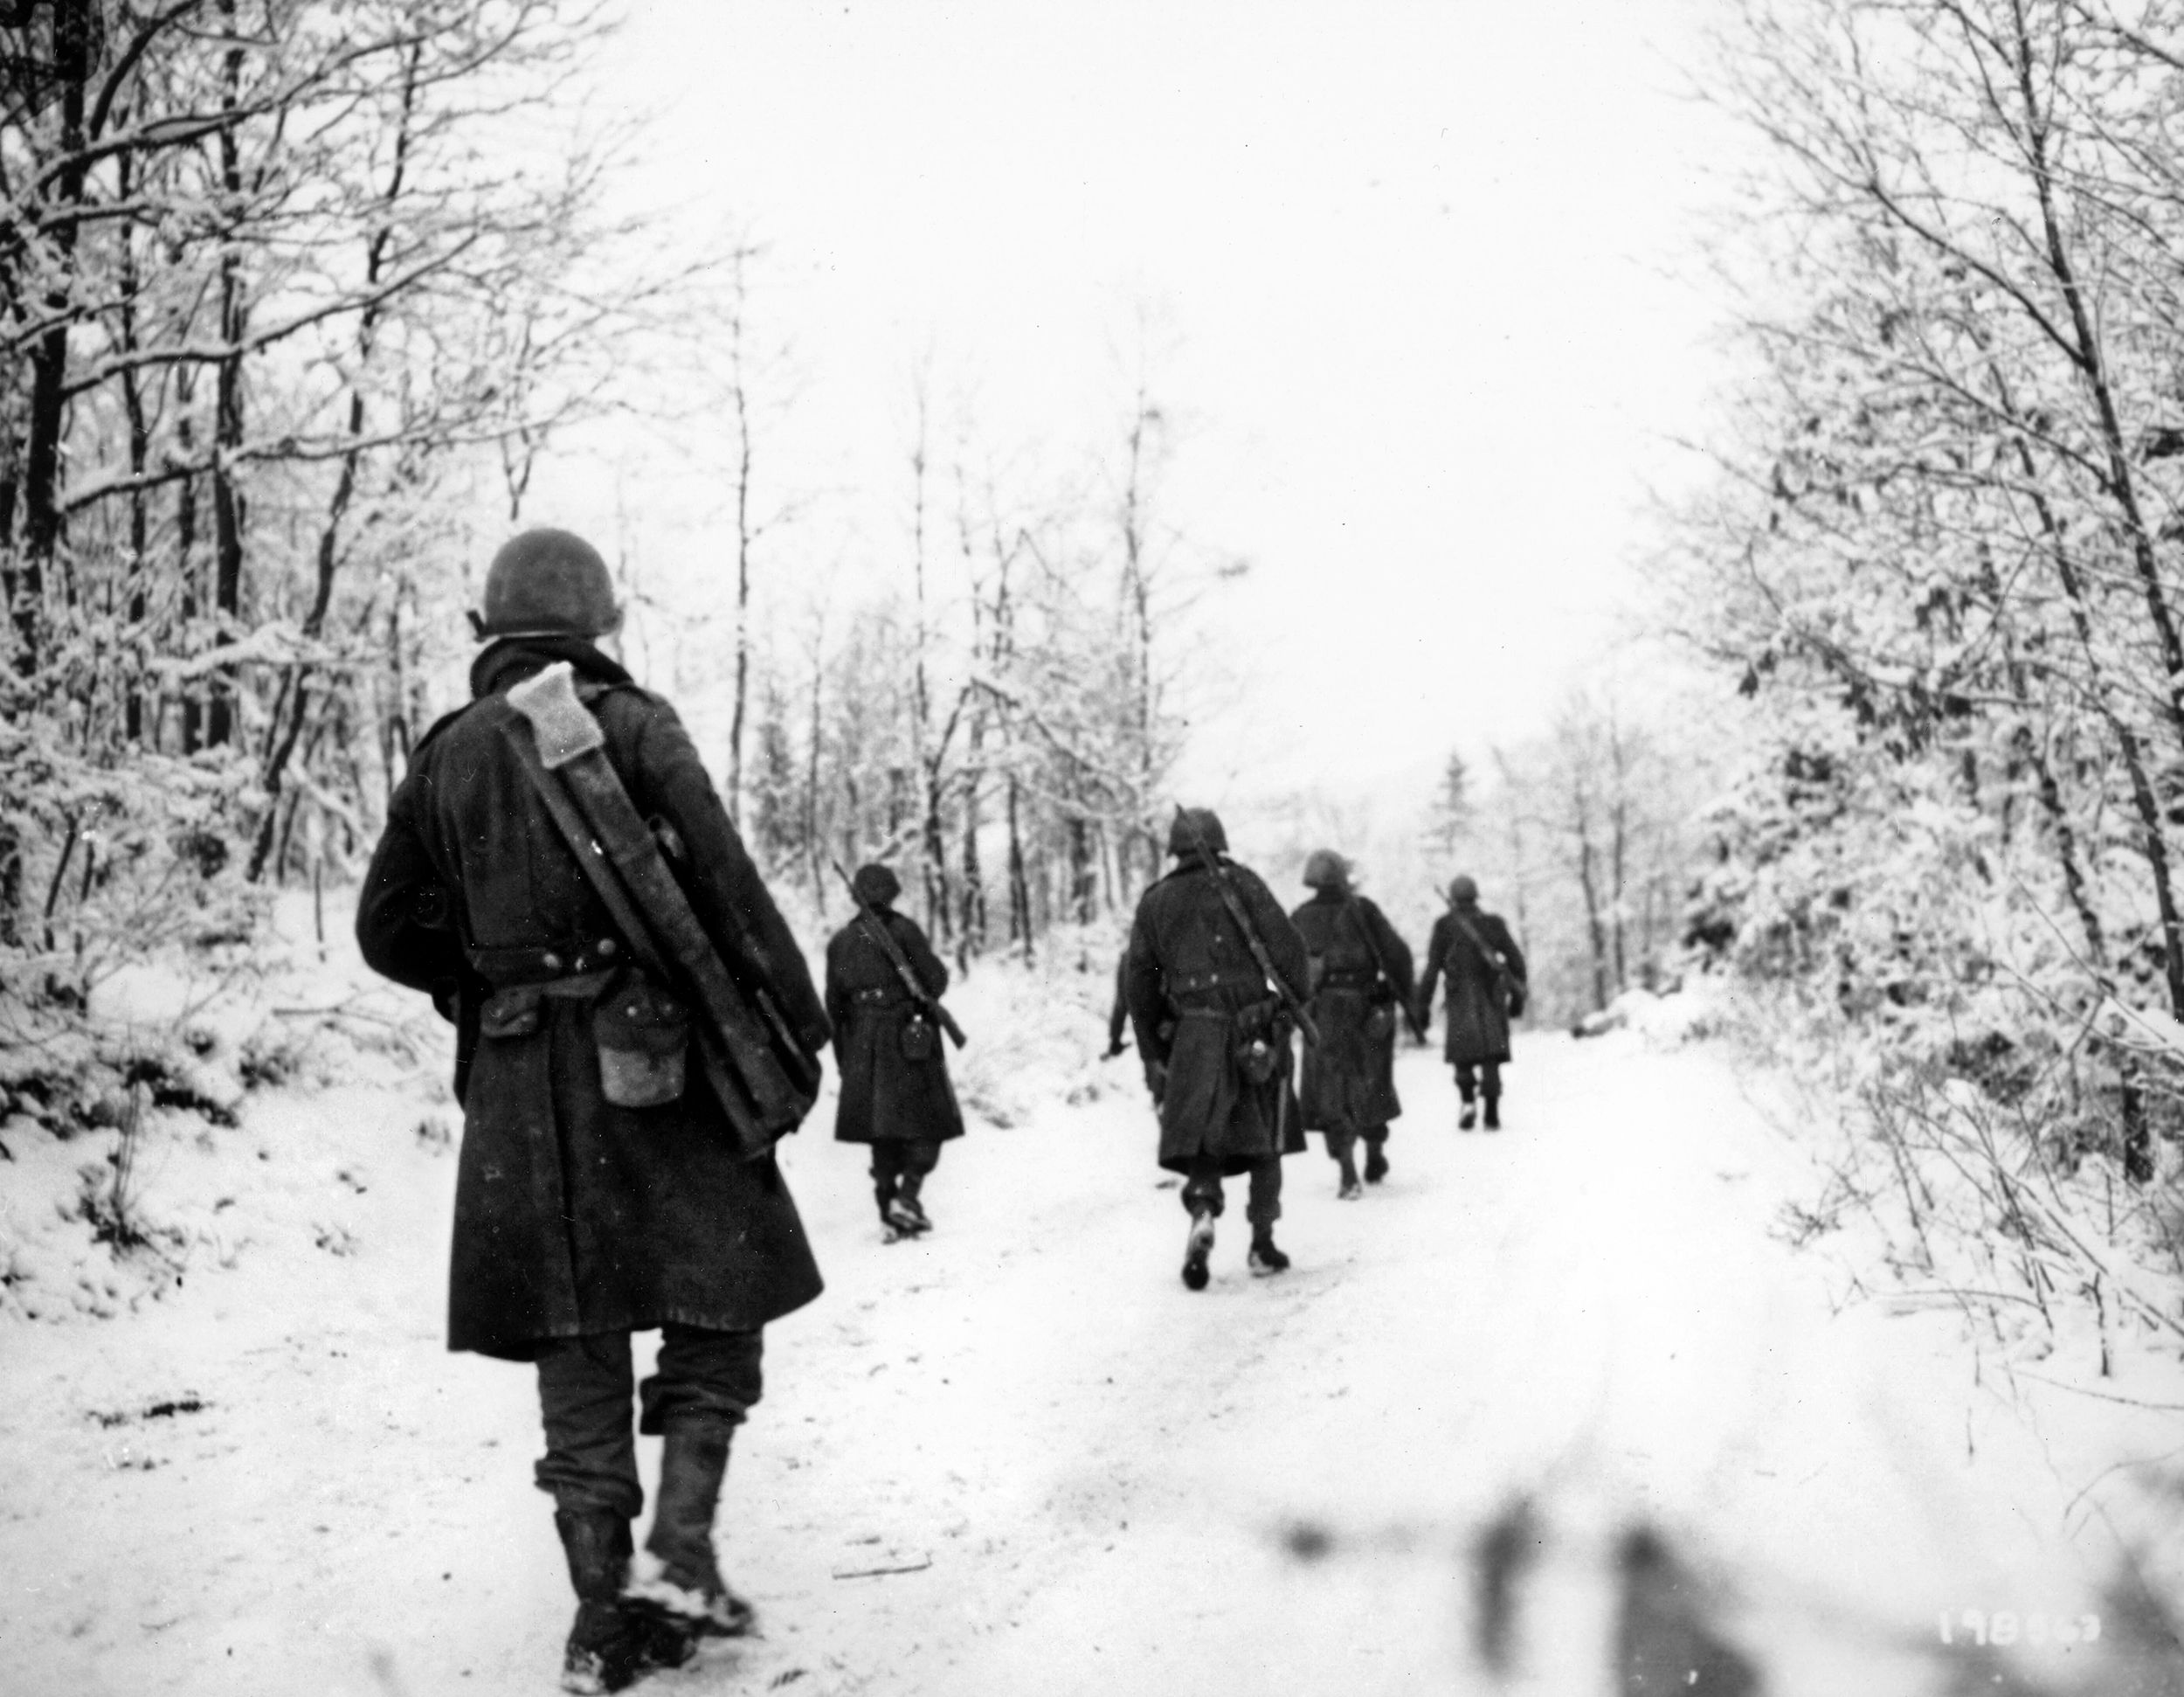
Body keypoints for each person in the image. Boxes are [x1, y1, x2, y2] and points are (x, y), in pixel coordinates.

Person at [356, 528, 832, 1694]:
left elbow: (385, 928)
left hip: (522, 1083)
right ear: (597, 622)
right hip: (661, 1063)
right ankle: (677, 1558)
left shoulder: (451, 752)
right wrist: (794, 1029)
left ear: (493, 626)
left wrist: (488, 975)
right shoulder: (634, 723)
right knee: (718, 1299)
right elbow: (724, 884)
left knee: (577, 1330)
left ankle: (597, 1616)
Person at [1124, 807, 1312, 1289]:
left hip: (1195, 1033)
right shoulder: (1244, 883)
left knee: (1205, 1138)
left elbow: (1138, 983)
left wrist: (1156, 1049)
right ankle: (1262, 1243)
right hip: (1254, 1027)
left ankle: (1204, 1210)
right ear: (1220, 841)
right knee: (1264, 1137)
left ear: (1174, 848)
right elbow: (1289, 949)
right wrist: (1293, 1005)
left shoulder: (1156, 901)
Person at [825, 863, 965, 1237]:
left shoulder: (840, 941)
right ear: (890, 893)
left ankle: (888, 1208)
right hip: (906, 1036)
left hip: (863, 1045)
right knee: (927, 1119)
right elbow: (935, 980)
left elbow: (835, 1010)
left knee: (881, 1128)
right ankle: (908, 1196)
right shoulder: (904, 930)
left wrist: (847, 1059)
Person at [1289, 849, 1419, 1197]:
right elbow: (1398, 955)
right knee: (1372, 1079)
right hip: (1366, 1006)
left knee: (1331, 1087)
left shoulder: (1299, 918)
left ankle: (1347, 1170)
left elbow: (1287, 969)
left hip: (1321, 1012)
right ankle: (1374, 1154)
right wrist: (1404, 997)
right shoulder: (1363, 910)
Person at [1414, 875, 1529, 1130]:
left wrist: (1422, 1006)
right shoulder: (1494, 924)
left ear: (1453, 898)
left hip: (1459, 999)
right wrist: (1517, 999)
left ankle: (1467, 1103)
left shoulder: (1444, 926)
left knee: (1462, 1058)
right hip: (1491, 997)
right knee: (1491, 1056)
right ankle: (1491, 1112)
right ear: (1476, 896)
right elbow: (1516, 961)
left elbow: (1432, 969)